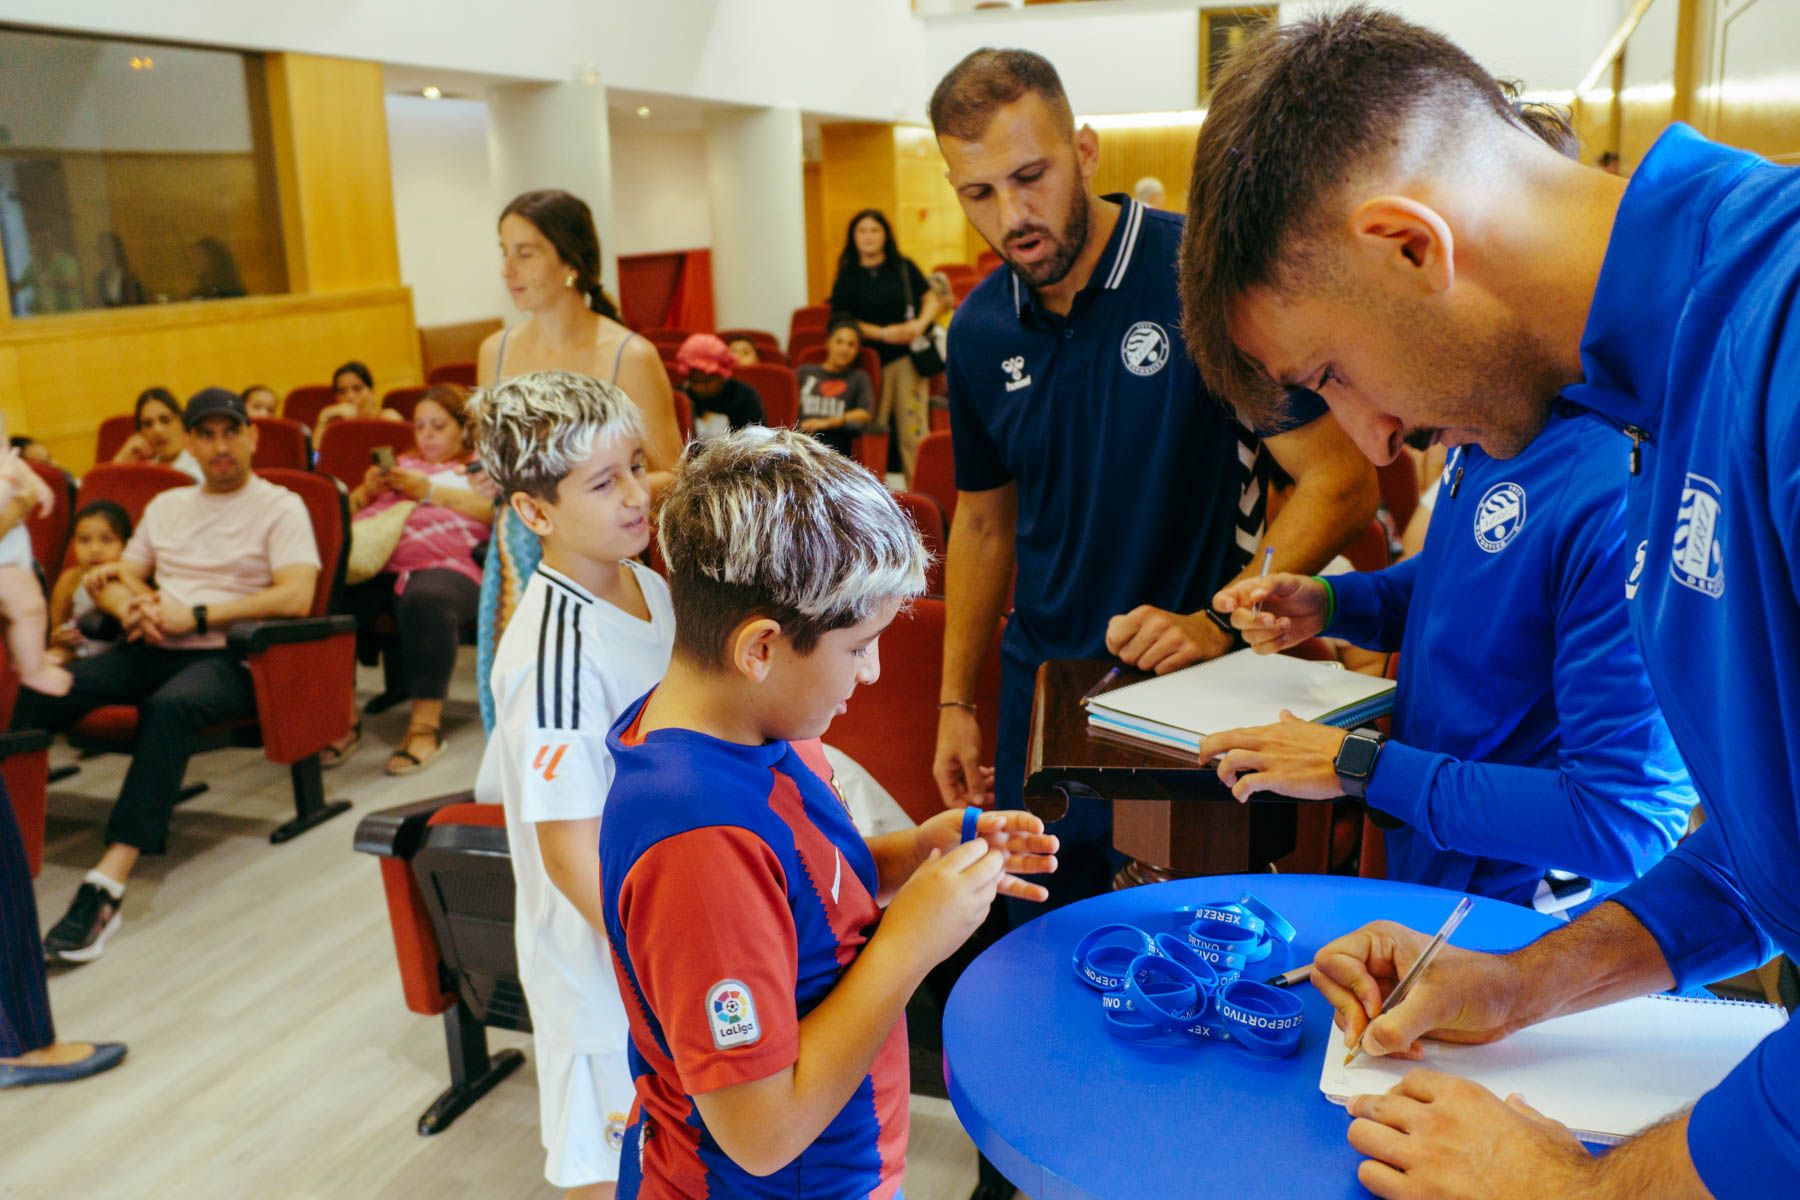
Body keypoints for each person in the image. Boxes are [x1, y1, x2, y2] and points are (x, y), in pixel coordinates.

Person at [1179, 8, 1800, 1196]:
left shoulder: (1779, 346)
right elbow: (1761, 867)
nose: (1371, 438)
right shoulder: (1646, 406)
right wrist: (1525, 982)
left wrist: (1581, 1189)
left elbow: (1623, 812)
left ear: (1409, 246)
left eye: (1334, 376)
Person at [926, 49, 1377, 911]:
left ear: (1085, 152)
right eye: (978, 192)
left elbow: (1340, 483)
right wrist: (955, 700)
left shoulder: (1196, 278)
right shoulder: (980, 328)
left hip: (1190, 704)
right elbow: (982, 524)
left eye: (1031, 175)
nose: (1012, 215)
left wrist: (1219, 620)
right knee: (1048, 955)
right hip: (1045, 696)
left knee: (1187, 962)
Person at [599, 427, 1057, 1196]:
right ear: (761, 648)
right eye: (858, 646)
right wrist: (910, 943)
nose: (873, 672)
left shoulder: (760, 723)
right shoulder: (697, 842)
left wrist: (912, 854)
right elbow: (762, 1135)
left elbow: (796, 897)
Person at [1201, 405, 1697, 913]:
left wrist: (1364, 767)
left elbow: (1622, 826)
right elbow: (1470, 580)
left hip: (1526, 918)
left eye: (1335, 375)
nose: (1380, 441)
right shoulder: (1487, 427)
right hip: (1434, 872)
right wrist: (1334, 603)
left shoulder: (1613, 482)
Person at [13, 388, 319, 965]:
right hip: (152, 643)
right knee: (39, 688)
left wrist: (196, 614)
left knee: (171, 708)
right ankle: (14, 836)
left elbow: (298, 594)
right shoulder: (169, 506)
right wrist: (132, 602)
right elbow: (117, 571)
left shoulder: (281, 505)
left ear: (252, 437)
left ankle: (107, 883)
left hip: (231, 656)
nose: (220, 446)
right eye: (206, 435)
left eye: (231, 432)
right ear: (191, 443)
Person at [469, 370, 669, 1200]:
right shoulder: (552, 652)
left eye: (634, 464)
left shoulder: (648, 584)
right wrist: (661, 958)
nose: (636, 494)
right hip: (605, 977)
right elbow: (568, 852)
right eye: (603, 482)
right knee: (618, 1178)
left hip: (661, 929)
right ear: (534, 513)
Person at [475, 189, 682, 733]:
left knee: (608, 717)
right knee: (524, 704)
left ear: (570, 260)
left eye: (526, 252)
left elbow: (675, 475)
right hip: (520, 553)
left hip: (601, 557)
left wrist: (599, 491)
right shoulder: (494, 351)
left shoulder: (626, 354)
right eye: (504, 252)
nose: (508, 269)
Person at [340, 386, 494, 774]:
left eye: (438, 426)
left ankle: (425, 729)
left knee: (428, 598)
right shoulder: (401, 467)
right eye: (420, 426)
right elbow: (346, 516)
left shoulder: (480, 469)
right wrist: (366, 491)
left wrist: (428, 491)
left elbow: (499, 513)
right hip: (381, 562)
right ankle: (340, 721)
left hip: (453, 564)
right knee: (336, 594)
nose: (426, 435)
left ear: (464, 430)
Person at [827, 208, 942, 478]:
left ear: (885, 235)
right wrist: (882, 333)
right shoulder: (847, 275)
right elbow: (842, 319)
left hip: (907, 358)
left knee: (912, 432)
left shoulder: (903, 266)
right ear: (853, 237)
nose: (868, 236)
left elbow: (931, 298)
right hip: (867, 363)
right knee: (872, 434)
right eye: (862, 231)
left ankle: (921, 499)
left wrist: (919, 325)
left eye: (874, 230)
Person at [0, 438, 67, 695]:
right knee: (28, 609)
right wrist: (18, 497)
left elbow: (24, 472)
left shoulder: (7, 459)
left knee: (31, 610)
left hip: (12, 556)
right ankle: (32, 668)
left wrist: (40, 489)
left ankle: (30, 660)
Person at [48, 501, 131, 665]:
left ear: (126, 544)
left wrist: (125, 575)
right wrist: (60, 636)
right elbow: (55, 631)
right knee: (46, 664)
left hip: (122, 660)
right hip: (78, 653)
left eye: (107, 540)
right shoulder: (70, 579)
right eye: (84, 540)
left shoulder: (131, 578)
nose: (94, 549)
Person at [795, 315, 875, 456]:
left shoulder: (859, 378)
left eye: (851, 344)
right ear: (829, 343)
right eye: (839, 342)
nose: (844, 349)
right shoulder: (805, 371)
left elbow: (865, 414)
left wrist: (827, 423)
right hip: (800, 439)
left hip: (836, 441)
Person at [675, 334, 763, 440]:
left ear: (722, 375)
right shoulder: (681, 396)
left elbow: (756, 442)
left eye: (707, 381)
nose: (700, 387)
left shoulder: (745, 396)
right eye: (694, 381)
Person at [113, 387, 203, 481]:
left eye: (165, 420)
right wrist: (120, 461)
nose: (157, 430)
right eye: (148, 424)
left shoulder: (201, 468)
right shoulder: (143, 472)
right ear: (140, 433)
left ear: (181, 422)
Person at [313, 360, 402, 440]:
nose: (349, 397)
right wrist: (323, 417)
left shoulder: (387, 419)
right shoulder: (337, 427)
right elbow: (316, 457)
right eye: (342, 391)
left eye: (357, 389)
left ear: (371, 392)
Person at [94, 232, 144, 309]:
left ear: (117, 251)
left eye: (108, 249)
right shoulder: (100, 279)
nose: (106, 253)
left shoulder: (129, 278)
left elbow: (136, 307)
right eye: (102, 249)